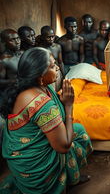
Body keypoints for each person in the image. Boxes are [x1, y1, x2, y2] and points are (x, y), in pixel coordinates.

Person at [0, 47, 93, 193]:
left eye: (55, 63)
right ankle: (60, 181)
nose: (57, 67)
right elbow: (63, 146)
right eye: (52, 66)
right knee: (74, 139)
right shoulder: (41, 103)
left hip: (24, 153)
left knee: (78, 130)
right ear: (39, 76)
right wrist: (68, 106)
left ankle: (70, 177)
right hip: (36, 168)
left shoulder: (33, 87)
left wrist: (62, 102)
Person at [39, 26, 65, 91]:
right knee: (52, 92)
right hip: (48, 75)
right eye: (48, 37)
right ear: (42, 37)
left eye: (53, 36)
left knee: (59, 91)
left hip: (57, 72)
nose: (51, 39)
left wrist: (64, 75)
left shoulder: (57, 47)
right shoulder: (40, 49)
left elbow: (60, 62)